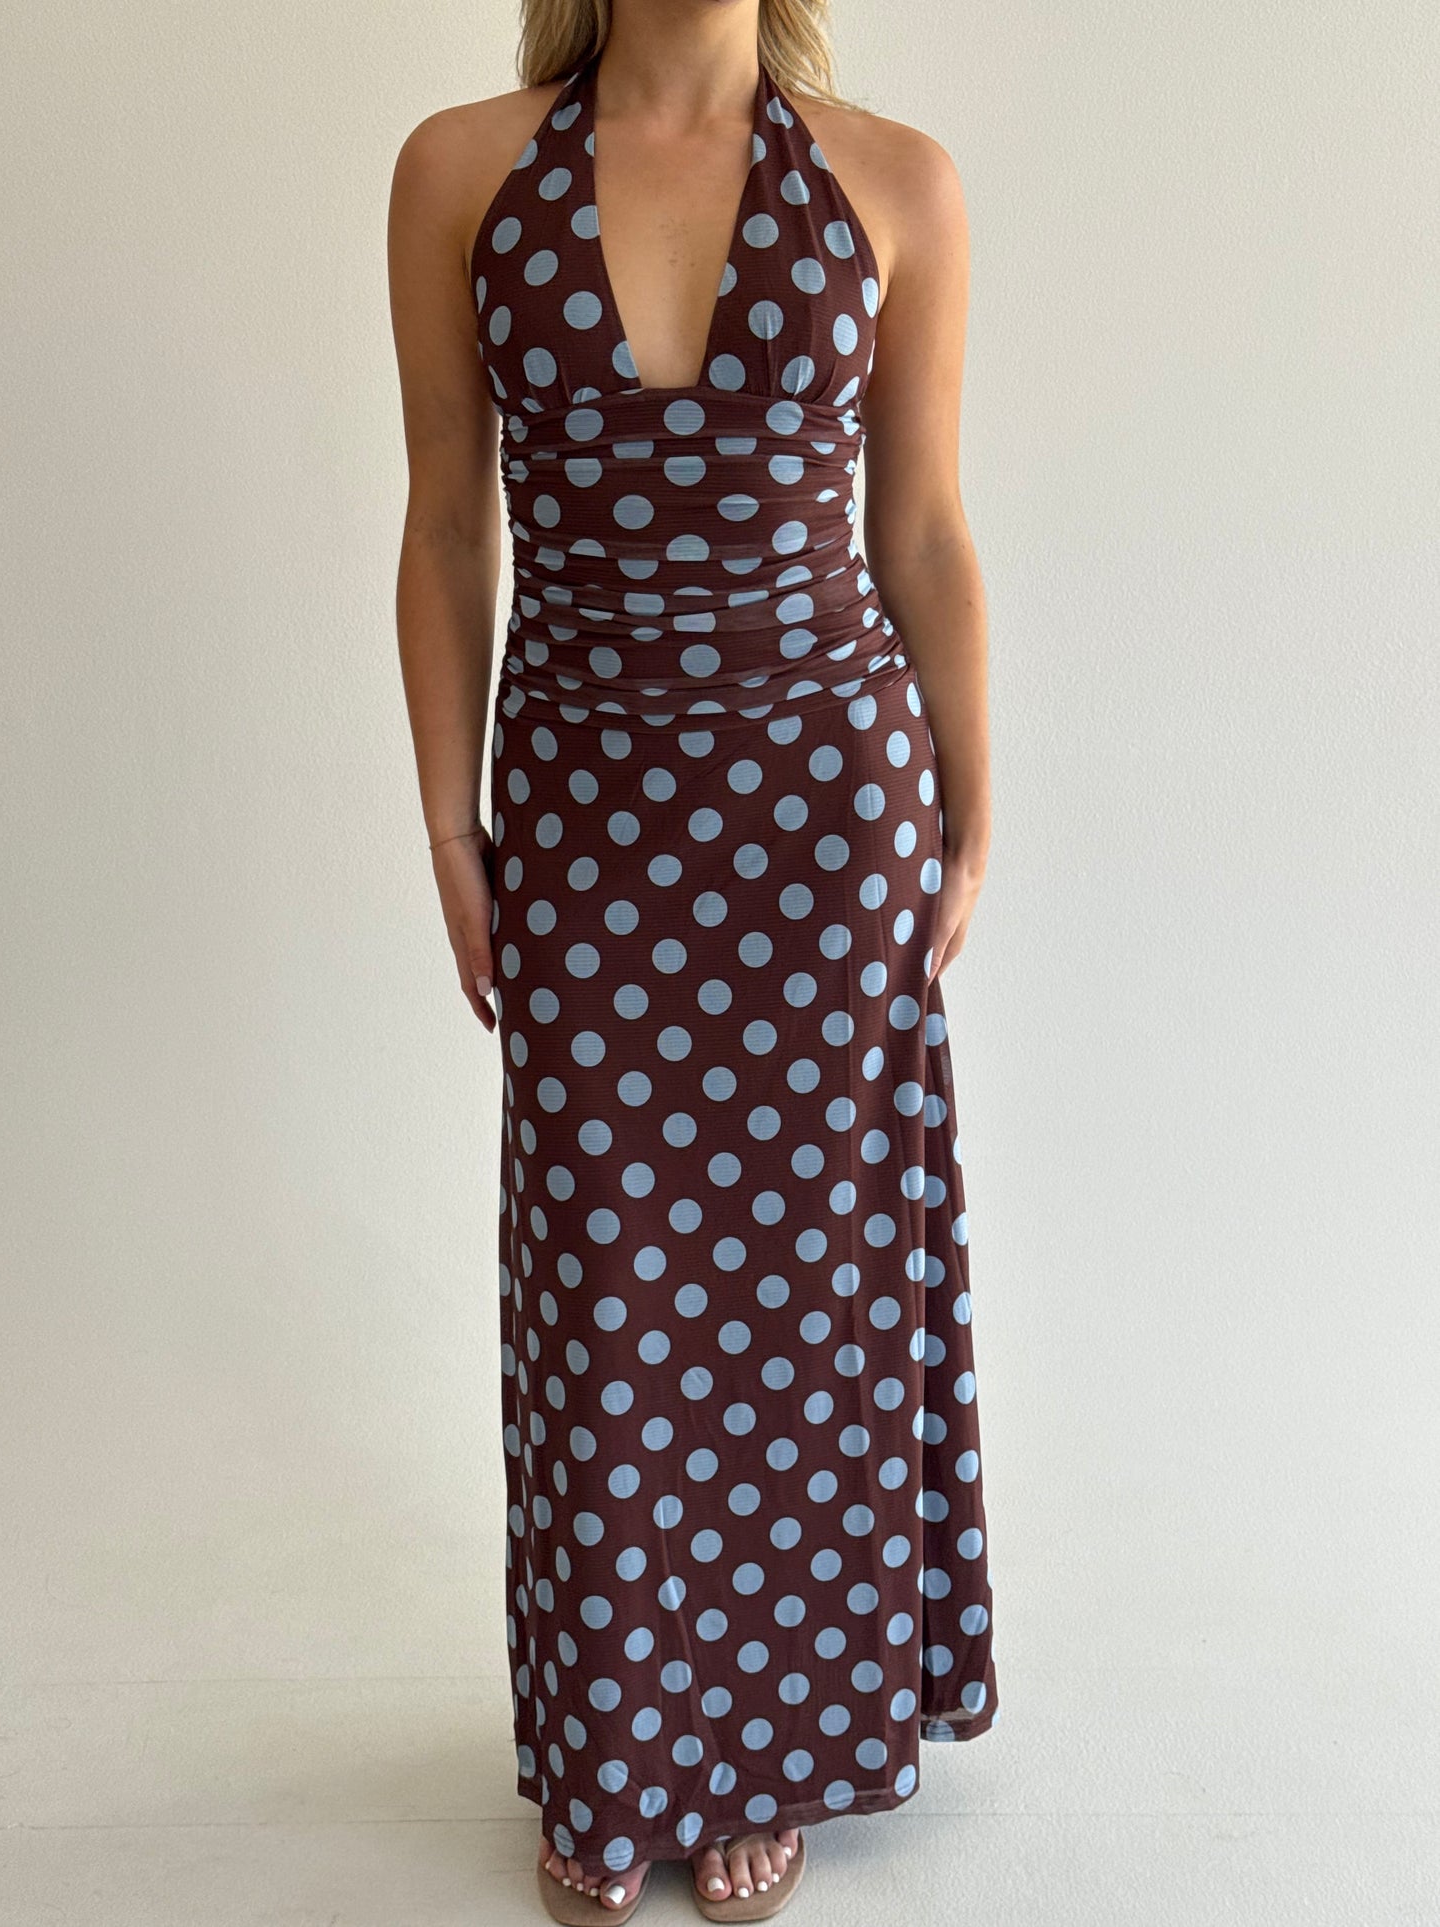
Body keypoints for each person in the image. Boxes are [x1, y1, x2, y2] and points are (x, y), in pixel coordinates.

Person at [386, 1, 996, 1917]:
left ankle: (773, 1744)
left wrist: (974, 805)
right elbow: (442, 523)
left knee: (809, 1281)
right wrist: (446, 828)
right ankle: (619, 1739)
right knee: (606, 1279)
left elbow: (920, 524)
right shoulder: (462, 171)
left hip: (824, 805)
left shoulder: (894, 181)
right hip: (578, 801)